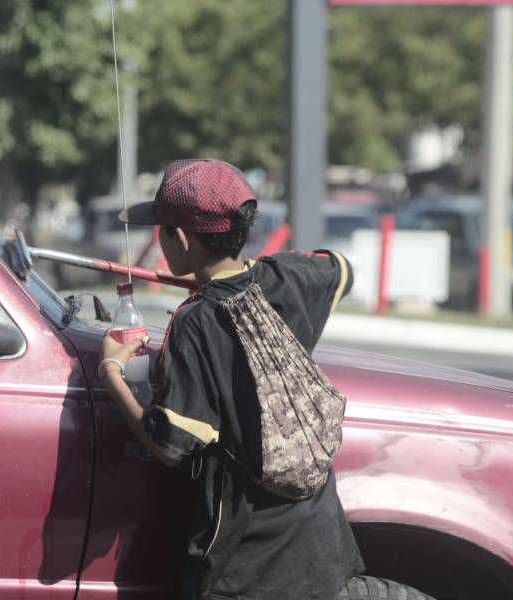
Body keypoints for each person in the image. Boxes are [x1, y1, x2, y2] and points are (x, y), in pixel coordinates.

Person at [99, 158, 364, 600]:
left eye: (162, 229)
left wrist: (111, 372)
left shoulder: (196, 322)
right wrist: (251, 275)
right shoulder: (287, 277)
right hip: (320, 547)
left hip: (247, 568)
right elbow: (340, 267)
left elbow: (168, 444)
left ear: (179, 239)